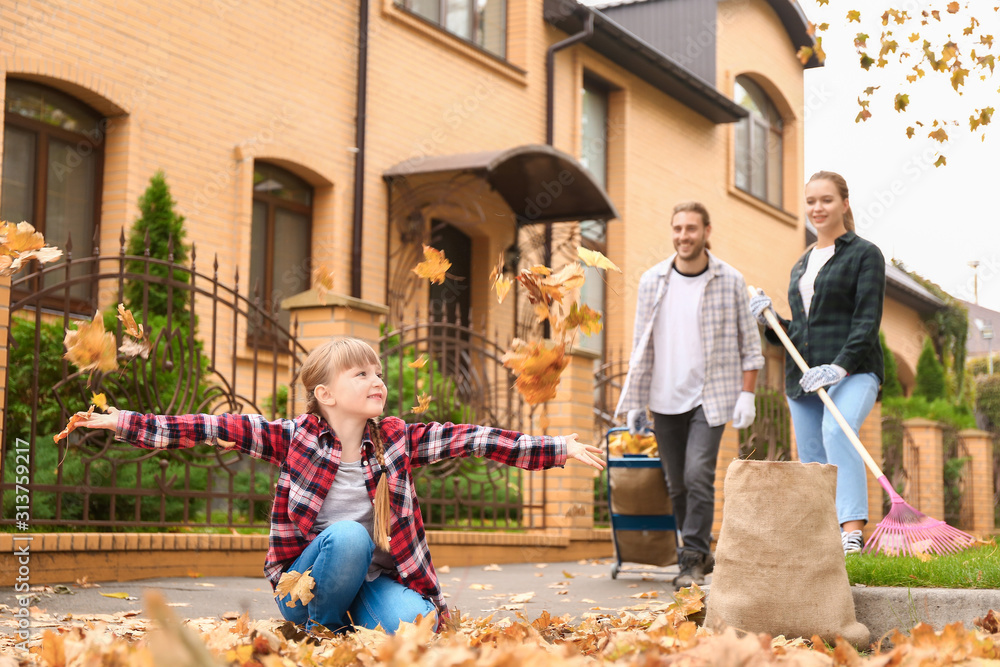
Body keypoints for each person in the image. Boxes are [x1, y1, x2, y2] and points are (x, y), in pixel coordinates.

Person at [78, 336, 605, 633]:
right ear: (325, 394)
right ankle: (321, 630)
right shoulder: (293, 437)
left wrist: (556, 448)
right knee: (350, 537)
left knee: (421, 626)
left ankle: (349, 621)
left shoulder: (397, 440)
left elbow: (475, 439)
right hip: (302, 588)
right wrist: (125, 421)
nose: (377, 381)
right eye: (361, 375)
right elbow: (210, 427)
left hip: (371, 583)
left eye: (377, 373)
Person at [616, 201, 764, 590]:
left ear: (707, 231)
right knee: (677, 482)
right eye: (678, 228)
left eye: (691, 229)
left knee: (699, 474)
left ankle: (692, 558)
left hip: (710, 396)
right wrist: (635, 402)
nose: (684, 236)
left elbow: (750, 346)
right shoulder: (652, 281)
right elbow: (640, 345)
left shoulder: (730, 280)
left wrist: (746, 395)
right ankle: (699, 550)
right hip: (664, 397)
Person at [749, 171, 885, 555]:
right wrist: (770, 321)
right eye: (811, 201)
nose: (817, 208)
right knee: (812, 459)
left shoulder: (864, 254)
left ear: (844, 203)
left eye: (826, 200)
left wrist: (839, 368)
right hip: (804, 377)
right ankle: (825, 538)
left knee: (838, 432)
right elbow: (801, 332)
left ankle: (852, 533)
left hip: (854, 370)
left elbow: (866, 321)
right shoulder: (802, 264)